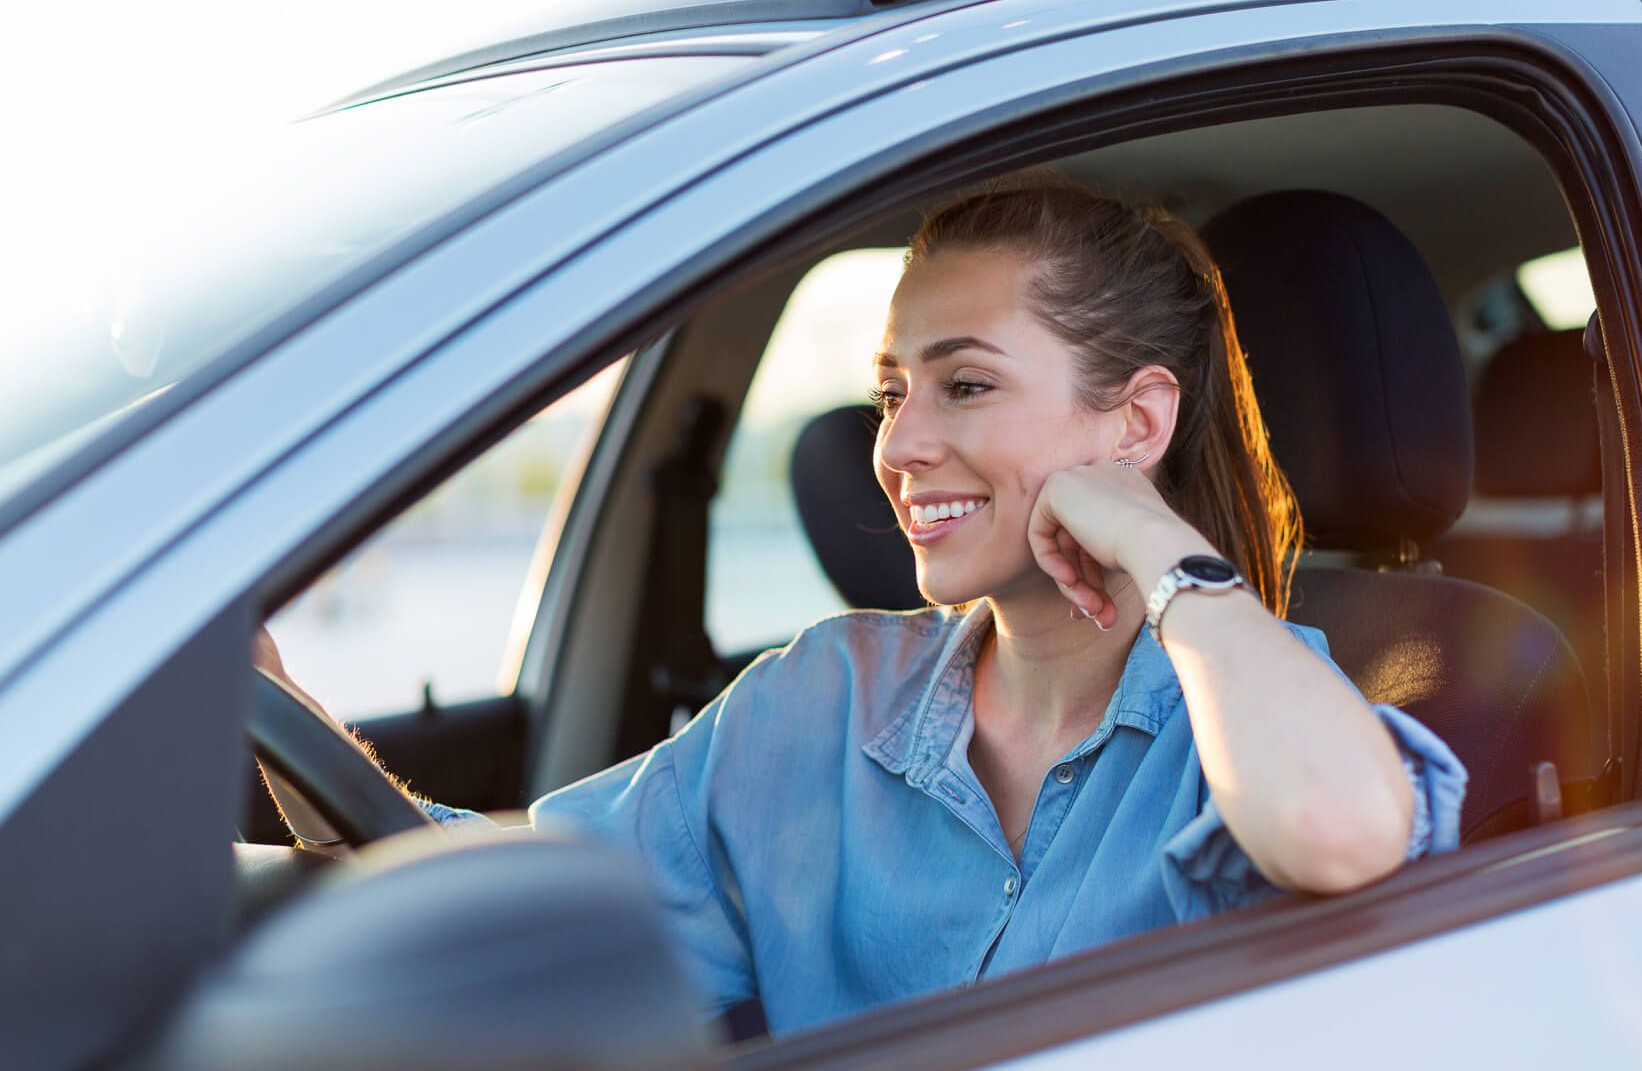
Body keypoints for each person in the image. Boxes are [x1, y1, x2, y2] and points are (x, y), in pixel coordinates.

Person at [259, 176, 1466, 1037]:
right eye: (892, 391)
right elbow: (528, 913)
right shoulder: (819, 697)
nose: (898, 445)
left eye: (967, 384)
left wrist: (1157, 547)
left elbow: (1338, 830)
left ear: (1138, 422)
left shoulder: (1261, 710)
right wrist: (271, 708)